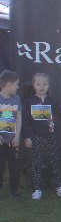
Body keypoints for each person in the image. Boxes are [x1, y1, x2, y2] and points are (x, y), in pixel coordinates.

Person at [22, 73, 61, 200]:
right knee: (36, 163)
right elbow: (25, 122)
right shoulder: (29, 102)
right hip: (36, 137)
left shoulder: (51, 101)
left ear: (49, 86)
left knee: (55, 161)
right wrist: (27, 137)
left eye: (44, 84)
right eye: (38, 84)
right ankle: (37, 188)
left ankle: (59, 187)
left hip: (51, 136)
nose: (41, 87)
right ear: (33, 85)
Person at [0, 70, 23, 200]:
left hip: (13, 140)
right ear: (9, 84)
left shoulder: (16, 99)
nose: (18, 87)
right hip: (1, 141)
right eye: (16, 84)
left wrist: (17, 136)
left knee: (14, 166)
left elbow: (19, 118)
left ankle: (14, 189)